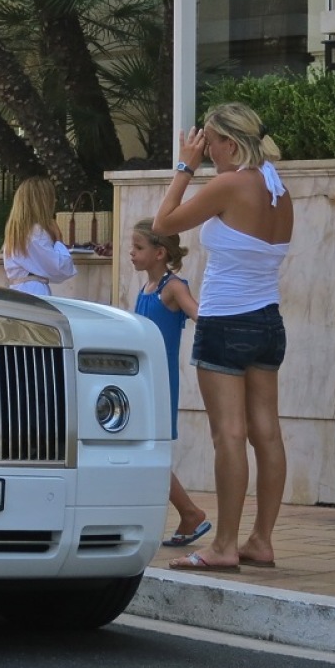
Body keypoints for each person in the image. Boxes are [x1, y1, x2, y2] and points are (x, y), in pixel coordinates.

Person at [154, 102, 292, 573]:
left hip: (226, 322)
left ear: (231, 143)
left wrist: (183, 168)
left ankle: (225, 546)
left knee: (229, 435)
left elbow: (163, 225)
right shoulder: (276, 187)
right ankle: (261, 541)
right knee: (266, 433)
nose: (206, 152)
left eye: (210, 143)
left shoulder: (231, 183)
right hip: (268, 323)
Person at [129, 217, 211, 548]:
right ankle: (184, 512)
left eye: (138, 247)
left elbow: (199, 316)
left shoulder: (173, 287)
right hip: (141, 381)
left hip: (159, 383)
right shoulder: (146, 288)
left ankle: (190, 512)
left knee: (151, 451)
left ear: (160, 252)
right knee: (140, 450)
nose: (131, 253)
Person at [1, 176, 76, 296]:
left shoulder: (18, 232)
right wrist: (58, 239)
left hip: (19, 291)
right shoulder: (36, 233)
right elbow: (62, 268)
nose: (55, 201)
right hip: (34, 293)